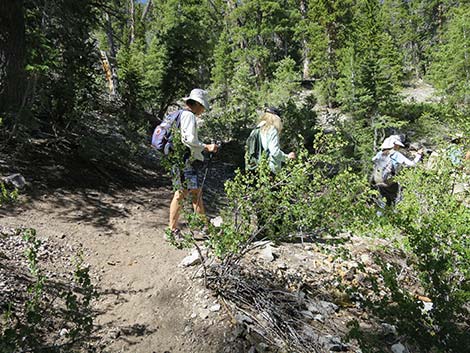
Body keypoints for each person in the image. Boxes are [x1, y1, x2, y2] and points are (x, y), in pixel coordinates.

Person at [168, 88, 218, 236]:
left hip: (180, 159)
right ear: (197, 104)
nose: (202, 110)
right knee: (181, 193)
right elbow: (188, 139)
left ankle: (205, 227)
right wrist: (206, 146)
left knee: (196, 192)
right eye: (202, 106)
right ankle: (171, 230)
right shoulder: (189, 116)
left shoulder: (180, 114)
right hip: (186, 160)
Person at [371, 135, 423, 207]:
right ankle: (395, 213)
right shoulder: (396, 154)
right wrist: (419, 155)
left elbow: (373, 160)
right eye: (398, 145)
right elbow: (412, 164)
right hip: (389, 181)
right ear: (394, 145)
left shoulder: (380, 153)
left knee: (383, 201)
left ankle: (383, 214)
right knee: (397, 198)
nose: (398, 147)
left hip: (378, 180)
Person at [257, 107, 295, 174]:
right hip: (270, 168)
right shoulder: (272, 130)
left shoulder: (258, 127)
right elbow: (274, 151)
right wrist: (287, 157)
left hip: (258, 166)